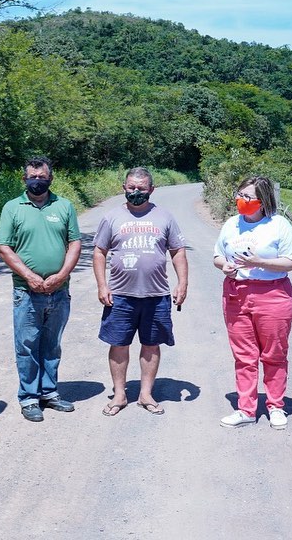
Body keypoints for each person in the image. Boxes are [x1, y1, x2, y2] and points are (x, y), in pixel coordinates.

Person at [92, 167, 188, 417]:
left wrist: (182, 283)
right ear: (124, 187)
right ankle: (120, 394)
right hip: (120, 295)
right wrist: (102, 285)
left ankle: (145, 394)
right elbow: (99, 252)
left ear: (151, 190)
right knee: (119, 344)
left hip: (156, 295)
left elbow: (177, 251)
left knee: (151, 344)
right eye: (132, 187)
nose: (136, 192)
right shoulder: (111, 217)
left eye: (142, 188)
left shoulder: (165, 217)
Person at [0, 156, 82, 423]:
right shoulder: (13, 208)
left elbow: (74, 244)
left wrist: (62, 275)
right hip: (26, 291)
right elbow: (4, 248)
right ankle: (29, 398)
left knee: (52, 345)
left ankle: (50, 393)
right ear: (24, 179)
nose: (37, 181)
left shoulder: (65, 206)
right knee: (27, 346)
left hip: (59, 290)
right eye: (32, 177)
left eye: (42, 177)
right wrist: (29, 276)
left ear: (50, 179)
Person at [214, 176, 292, 430]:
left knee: (274, 354)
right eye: (239, 195)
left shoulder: (278, 225)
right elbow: (218, 255)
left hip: (272, 295)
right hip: (236, 294)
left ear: (262, 202)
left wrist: (260, 263)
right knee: (244, 355)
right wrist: (224, 265)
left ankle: (275, 406)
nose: (241, 201)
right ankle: (246, 409)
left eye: (248, 197)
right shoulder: (231, 225)